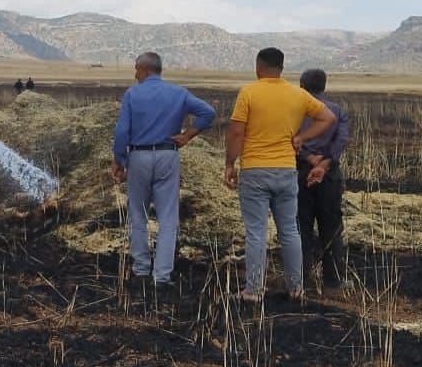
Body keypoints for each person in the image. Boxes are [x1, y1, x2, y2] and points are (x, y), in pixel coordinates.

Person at [224, 48, 336, 301]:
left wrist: (230, 163)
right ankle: (296, 288)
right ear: (282, 68)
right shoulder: (297, 94)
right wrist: (301, 137)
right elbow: (327, 117)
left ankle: (253, 290)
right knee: (289, 231)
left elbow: (236, 133)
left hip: (255, 170)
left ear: (258, 66)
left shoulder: (249, 92)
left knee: (256, 232)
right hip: (286, 169)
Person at [111, 52, 216, 286]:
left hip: (138, 155)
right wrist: (188, 134)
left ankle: (140, 269)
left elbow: (121, 132)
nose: (135, 73)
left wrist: (119, 159)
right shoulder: (178, 93)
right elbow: (208, 113)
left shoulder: (132, 94)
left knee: (138, 213)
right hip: (168, 154)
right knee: (168, 217)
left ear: (146, 70)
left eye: (136, 69)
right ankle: (162, 276)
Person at [294, 68, 350, 289]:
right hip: (329, 175)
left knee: (300, 226)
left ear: (301, 85)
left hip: (299, 172)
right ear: (324, 86)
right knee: (332, 226)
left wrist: (308, 158)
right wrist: (325, 163)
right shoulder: (337, 111)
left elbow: (290, 140)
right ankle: (333, 280)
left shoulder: (294, 112)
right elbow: (341, 141)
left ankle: (300, 279)